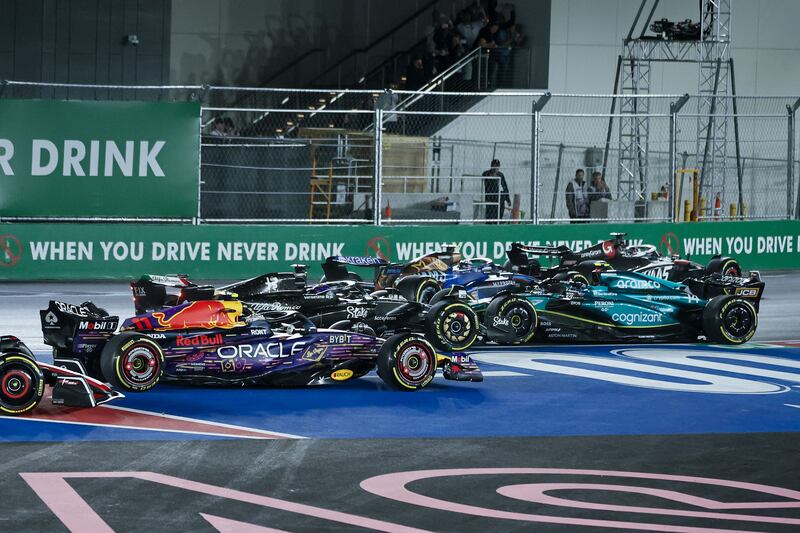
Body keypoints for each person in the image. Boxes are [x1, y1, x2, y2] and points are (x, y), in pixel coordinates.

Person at [482, 159, 510, 223]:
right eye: (494, 166)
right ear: (491, 166)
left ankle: (498, 221)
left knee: (501, 202)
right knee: (490, 213)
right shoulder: (486, 173)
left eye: (497, 167)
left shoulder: (500, 175)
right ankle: (489, 223)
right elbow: (483, 176)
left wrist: (508, 199)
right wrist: (491, 175)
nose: (495, 168)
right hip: (489, 196)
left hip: (498, 197)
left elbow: (505, 186)